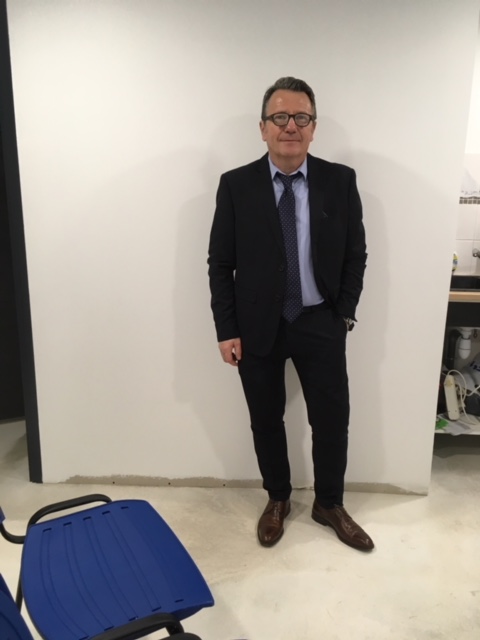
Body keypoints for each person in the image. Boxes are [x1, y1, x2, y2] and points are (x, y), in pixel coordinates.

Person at [207, 77, 373, 552]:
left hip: (320, 321)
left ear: (313, 128)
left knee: (332, 420)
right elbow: (220, 263)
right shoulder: (236, 185)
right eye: (279, 117)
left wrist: (344, 315)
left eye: (301, 117)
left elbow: (355, 254)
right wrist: (226, 329)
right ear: (262, 128)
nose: (290, 127)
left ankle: (329, 503)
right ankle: (277, 498)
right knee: (266, 419)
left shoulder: (340, 181)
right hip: (257, 325)